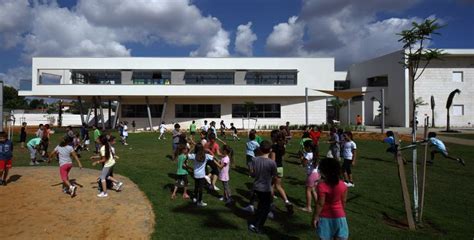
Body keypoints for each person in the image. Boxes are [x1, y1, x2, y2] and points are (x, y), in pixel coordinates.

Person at [312, 157, 349, 240]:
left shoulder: (321, 186)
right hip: (340, 217)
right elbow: (344, 201)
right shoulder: (343, 185)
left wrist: (315, 217)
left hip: (326, 218)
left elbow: (320, 204)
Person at [248, 141, 277, 234]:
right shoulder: (272, 163)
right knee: (265, 208)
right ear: (270, 150)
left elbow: (252, 174)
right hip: (266, 188)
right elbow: (274, 176)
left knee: (261, 205)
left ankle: (255, 222)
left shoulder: (254, 160)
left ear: (260, 149)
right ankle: (258, 226)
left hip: (257, 187)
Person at [269, 130, 293, 211]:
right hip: (280, 168)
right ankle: (287, 202)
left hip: (274, 168)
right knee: (279, 186)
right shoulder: (282, 146)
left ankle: (271, 203)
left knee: (271, 186)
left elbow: (272, 160)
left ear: (273, 137)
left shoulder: (273, 147)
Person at [301, 140, 320, 212]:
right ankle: (317, 204)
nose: (304, 148)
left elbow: (303, 164)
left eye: (305, 147)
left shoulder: (308, 155)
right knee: (313, 190)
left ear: (308, 147)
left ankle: (308, 207)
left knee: (308, 190)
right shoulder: (315, 153)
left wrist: (302, 157)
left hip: (311, 175)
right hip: (316, 174)